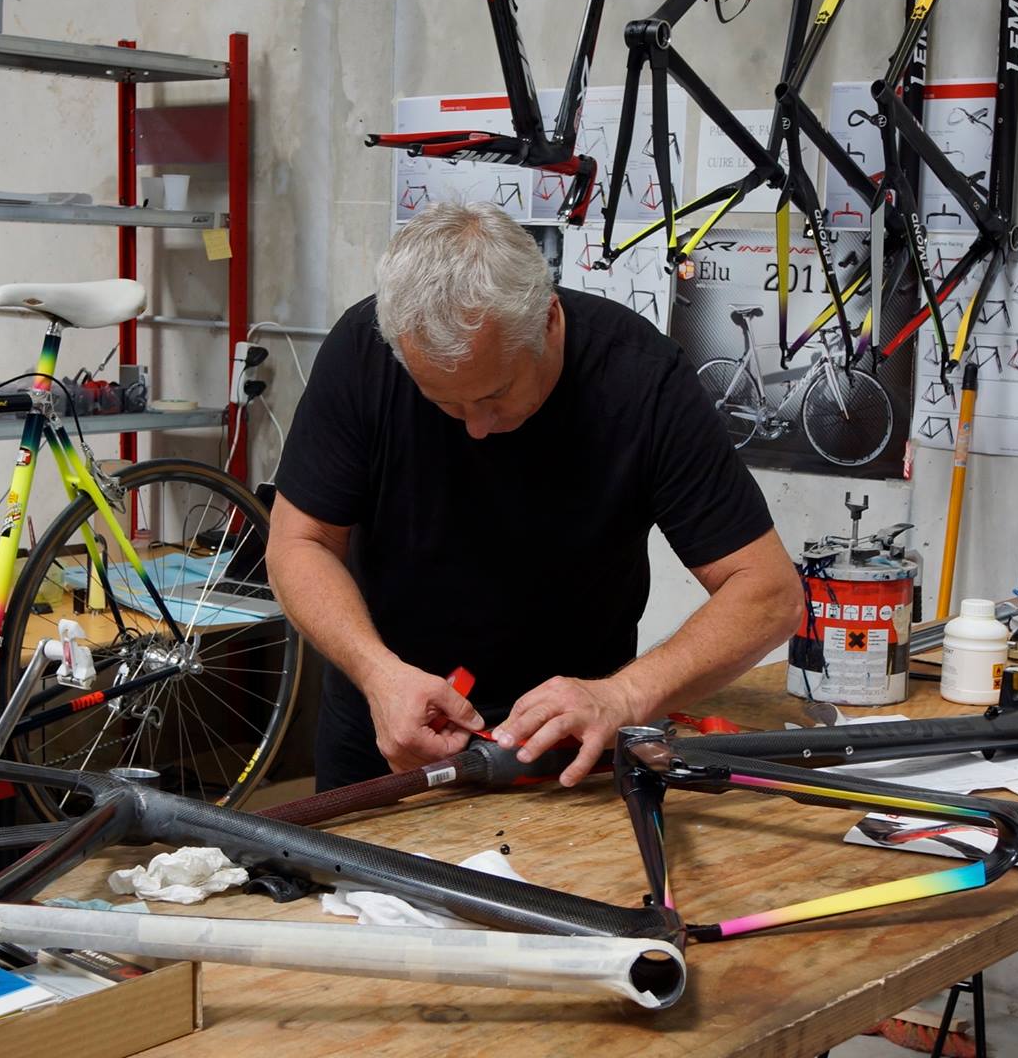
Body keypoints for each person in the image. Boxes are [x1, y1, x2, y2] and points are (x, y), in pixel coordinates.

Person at [268, 203, 804, 791]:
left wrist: (623, 694)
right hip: (392, 733)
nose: (474, 427)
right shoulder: (363, 350)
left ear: (548, 319)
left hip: (570, 752)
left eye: (494, 396)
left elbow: (767, 593)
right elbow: (300, 542)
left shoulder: (640, 379)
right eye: (443, 402)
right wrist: (378, 675)